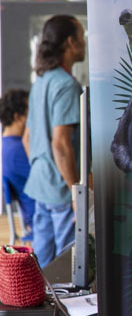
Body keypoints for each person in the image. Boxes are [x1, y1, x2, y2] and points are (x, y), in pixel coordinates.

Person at [24, 15, 86, 266]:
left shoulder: (40, 83)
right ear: (70, 42)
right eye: (82, 38)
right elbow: (60, 144)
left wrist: (45, 171)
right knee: (65, 267)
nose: (84, 43)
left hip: (40, 186)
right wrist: (76, 192)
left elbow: (28, 139)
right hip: (61, 191)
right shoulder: (66, 85)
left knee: (43, 266)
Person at [1, 89, 36, 240]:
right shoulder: (18, 150)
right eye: (31, 110)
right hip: (42, 219)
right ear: (18, 117)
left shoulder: (6, 145)